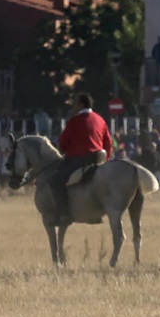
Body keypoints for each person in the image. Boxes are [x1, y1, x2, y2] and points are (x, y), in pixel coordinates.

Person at [52, 94, 113, 225]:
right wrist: (105, 160)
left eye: (75, 104)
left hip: (79, 161)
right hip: (99, 160)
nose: (73, 107)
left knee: (55, 182)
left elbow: (63, 144)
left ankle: (64, 216)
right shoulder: (100, 120)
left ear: (80, 105)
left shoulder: (74, 121)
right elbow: (108, 144)